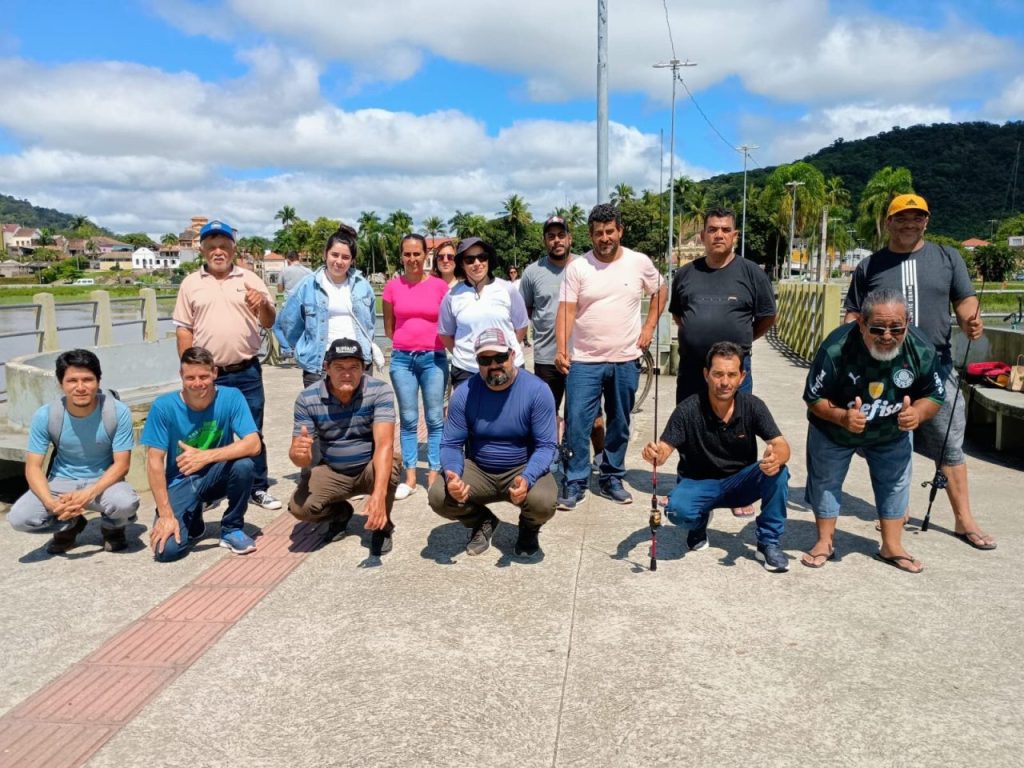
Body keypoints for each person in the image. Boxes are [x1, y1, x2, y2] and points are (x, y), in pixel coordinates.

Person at [843, 194, 994, 550]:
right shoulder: (870, 266)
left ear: (926, 221)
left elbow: (964, 299)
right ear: (889, 222)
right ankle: (897, 512)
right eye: (902, 218)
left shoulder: (947, 257)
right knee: (888, 442)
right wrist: (844, 350)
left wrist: (970, 319)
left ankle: (964, 520)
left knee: (949, 444)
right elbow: (853, 312)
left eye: (917, 218)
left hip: (935, 368)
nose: (910, 224)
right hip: (882, 369)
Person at [803, 289, 944, 573]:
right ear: (861, 324)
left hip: (891, 430)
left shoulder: (921, 349)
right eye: (877, 328)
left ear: (908, 322)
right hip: (836, 429)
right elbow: (813, 397)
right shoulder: (835, 348)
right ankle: (824, 541)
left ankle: (891, 546)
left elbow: (935, 395)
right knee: (826, 480)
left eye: (897, 328)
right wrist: (842, 416)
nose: (887, 336)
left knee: (895, 483)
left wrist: (917, 413)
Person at [642, 341, 792, 572]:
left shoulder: (753, 406)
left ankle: (768, 543)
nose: (724, 382)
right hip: (698, 483)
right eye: (718, 374)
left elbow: (781, 445)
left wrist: (776, 457)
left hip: (740, 482)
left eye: (732, 375)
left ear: (742, 376)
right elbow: (664, 449)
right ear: (706, 374)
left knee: (779, 471)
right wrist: (655, 454)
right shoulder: (688, 409)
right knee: (676, 511)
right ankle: (699, 522)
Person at [555, 203, 666, 508]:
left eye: (610, 231)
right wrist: (562, 348)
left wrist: (649, 326)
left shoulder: (639, 262)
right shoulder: (577, 268)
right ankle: (575, 479)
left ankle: (611, 476)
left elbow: (660, 290)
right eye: (598, 233)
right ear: (590, 236)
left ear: (620, 231)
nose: (605, 238)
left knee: (619, 421)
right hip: (584, 361)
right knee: (577, 421)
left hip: (625, 359)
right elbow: (566, 309)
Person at [669, 206, 777, 517]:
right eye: (713, 229)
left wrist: (739, 347)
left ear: (734, 235)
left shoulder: (751, 273)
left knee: (738, 427)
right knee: (688, 425)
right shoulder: (686, 273)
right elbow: (679, 314)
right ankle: (687, 480)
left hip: (734, 370)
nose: (718, 234)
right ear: (702, 235)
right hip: (692, 368)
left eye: (725, 229)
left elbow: (767, 317)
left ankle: (740, 490)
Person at [173, 219, 281, 511]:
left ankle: (258, 486)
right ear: (203, 250)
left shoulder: (249, 279)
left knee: (252, 430)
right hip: (210, 375)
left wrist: (263, 304)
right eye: (212, 247)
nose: (218, 252)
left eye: (223, 246)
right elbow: (184, 329)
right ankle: (212, 488)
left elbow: (269, 321)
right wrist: (188, 371)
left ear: (233, 250)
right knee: (209, 430)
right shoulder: (191, 284)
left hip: (246, 370)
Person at [428, 328, 557, 558]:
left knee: (544, 502)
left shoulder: (537, 390)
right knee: (439, 495)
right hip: (479, 468)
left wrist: (527, 479)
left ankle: (529, 527)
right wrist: (452, 476)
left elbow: (547, 445)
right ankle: (482, 521)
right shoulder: (464, 393)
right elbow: (450, 444)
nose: (494, 364)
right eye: (485, 360)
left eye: (500, 357)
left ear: (512, 354)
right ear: (477, 362)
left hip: (521, 467)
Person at [8, 349, 140, 554]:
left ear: (98, 381)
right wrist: (50, 504)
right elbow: (33, 467)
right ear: (61, 384)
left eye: (88, 379)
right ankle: (70, 524)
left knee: (125, 503)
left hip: (103, 482)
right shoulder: (46, 415)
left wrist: (88, 494)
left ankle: (112, 528)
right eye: (72, 381)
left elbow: (122, 464)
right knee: (19, 518)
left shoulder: (117, 412)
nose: (80, 387)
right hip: (61, 482)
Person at [142, 346, 262, 561]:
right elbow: (154, 461)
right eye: (190, 377)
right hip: (181, 480)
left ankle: (231, 528)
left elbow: (253, 444)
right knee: (167, 552)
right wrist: (166, 514)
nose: (198, 384)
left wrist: (205, 456)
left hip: (217, 473)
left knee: (244, 464)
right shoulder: (163, 406)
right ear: (181, 376)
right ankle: (192, 515)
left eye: (204, 376)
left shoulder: (231, 397)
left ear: (215, 372)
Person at [287, 338, 400, 554]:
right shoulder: (307, 398)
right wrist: (296, 454)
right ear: (326, 367)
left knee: (392, 464)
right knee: (300, 508)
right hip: (333, 469)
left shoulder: (379, 391)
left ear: (363, 369)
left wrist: (378, 494)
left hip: (368, 466)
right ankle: (340, 513)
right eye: (339, 367)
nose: (347, 374)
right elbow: (301, 458)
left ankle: (382, 525)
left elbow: (385, 444)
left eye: (354, 367)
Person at [519, 215, 604, 454]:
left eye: (561, 235)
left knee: (593, 415)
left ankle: (599, 457)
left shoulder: (586, 266)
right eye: (551, 236)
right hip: (547, 358)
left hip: (583, 356)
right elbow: (526, 311)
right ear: (545, 240)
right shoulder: (532, 272)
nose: (557, 240)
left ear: (570, 238)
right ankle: (551, 455)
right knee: (547, 414)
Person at [382, 234, 451, 500]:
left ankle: (434, 472)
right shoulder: (392, 287)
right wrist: (407, 341)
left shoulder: (438, 287)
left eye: (417, 254)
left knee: (434, 418)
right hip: (402, 360)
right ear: (402, 256)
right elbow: (389, 327)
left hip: (433, 359)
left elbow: (447, 323)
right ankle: (410, 476)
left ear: (425, 255)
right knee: (408, 419)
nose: (412, 259)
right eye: (407, 254)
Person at [279, 226, 378, 388]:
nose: (339, 261)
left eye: (345, 257)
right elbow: (289, 322)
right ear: (325, 254)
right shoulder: (307, 285)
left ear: (352, 260)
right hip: (320, 364)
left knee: (360, 413)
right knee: (320, 412)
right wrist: (306, 347)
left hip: (358, 361)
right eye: (335, 255)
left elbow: (370, 323)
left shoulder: (363, 286)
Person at [438, 236, 528, 389]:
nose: (477, 263)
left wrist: (503, 354)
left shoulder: (508, 289)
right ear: (461, 264)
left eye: (482, 257)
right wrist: (464, 354)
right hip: (467, 369)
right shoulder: (452, 296)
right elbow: (445, 334)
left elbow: (521, 326)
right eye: (470, 260)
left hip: (507, 367)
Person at [272, 251, 312, 359]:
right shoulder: (309, 271)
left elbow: (280, 290)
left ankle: (286, 349)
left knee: (276, 326)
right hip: (306, 304)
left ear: (288, 260)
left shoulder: (285, 270)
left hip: (291, 304)